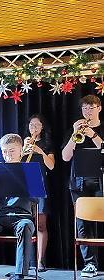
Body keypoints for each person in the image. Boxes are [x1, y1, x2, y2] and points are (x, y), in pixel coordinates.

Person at [0, 134, 36, 280]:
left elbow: (36, 199)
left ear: (21, 151)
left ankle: (20, 274)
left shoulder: (29, 171)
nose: (7, 155)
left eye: (11, 151)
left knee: (26, 226)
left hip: (22, 217)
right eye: (4, 151)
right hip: (0, 218)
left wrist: (18, 182)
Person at [62, 94, 103, 278]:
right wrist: (74, 135)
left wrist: (93, 135)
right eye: (84, 108)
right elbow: (65, 156)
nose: (87, 111)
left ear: (99, 108)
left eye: (91, 107)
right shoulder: (75, 129)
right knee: (83, 222)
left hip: (101, 180)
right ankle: (90, 264)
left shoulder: (100, 128)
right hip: (78, 182)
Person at [22, 114, 55, 272]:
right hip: (24, 186)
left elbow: (51, 166)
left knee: (41, 225)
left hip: (40, 185)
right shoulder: (24, 142)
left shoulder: (47, 144)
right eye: (31, 125)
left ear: (42, 127)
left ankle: (40, 260)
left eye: (36, 125)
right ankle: (25, 261)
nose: (33, 128)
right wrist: (23, 149)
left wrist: (40, 151)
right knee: (25, 224)